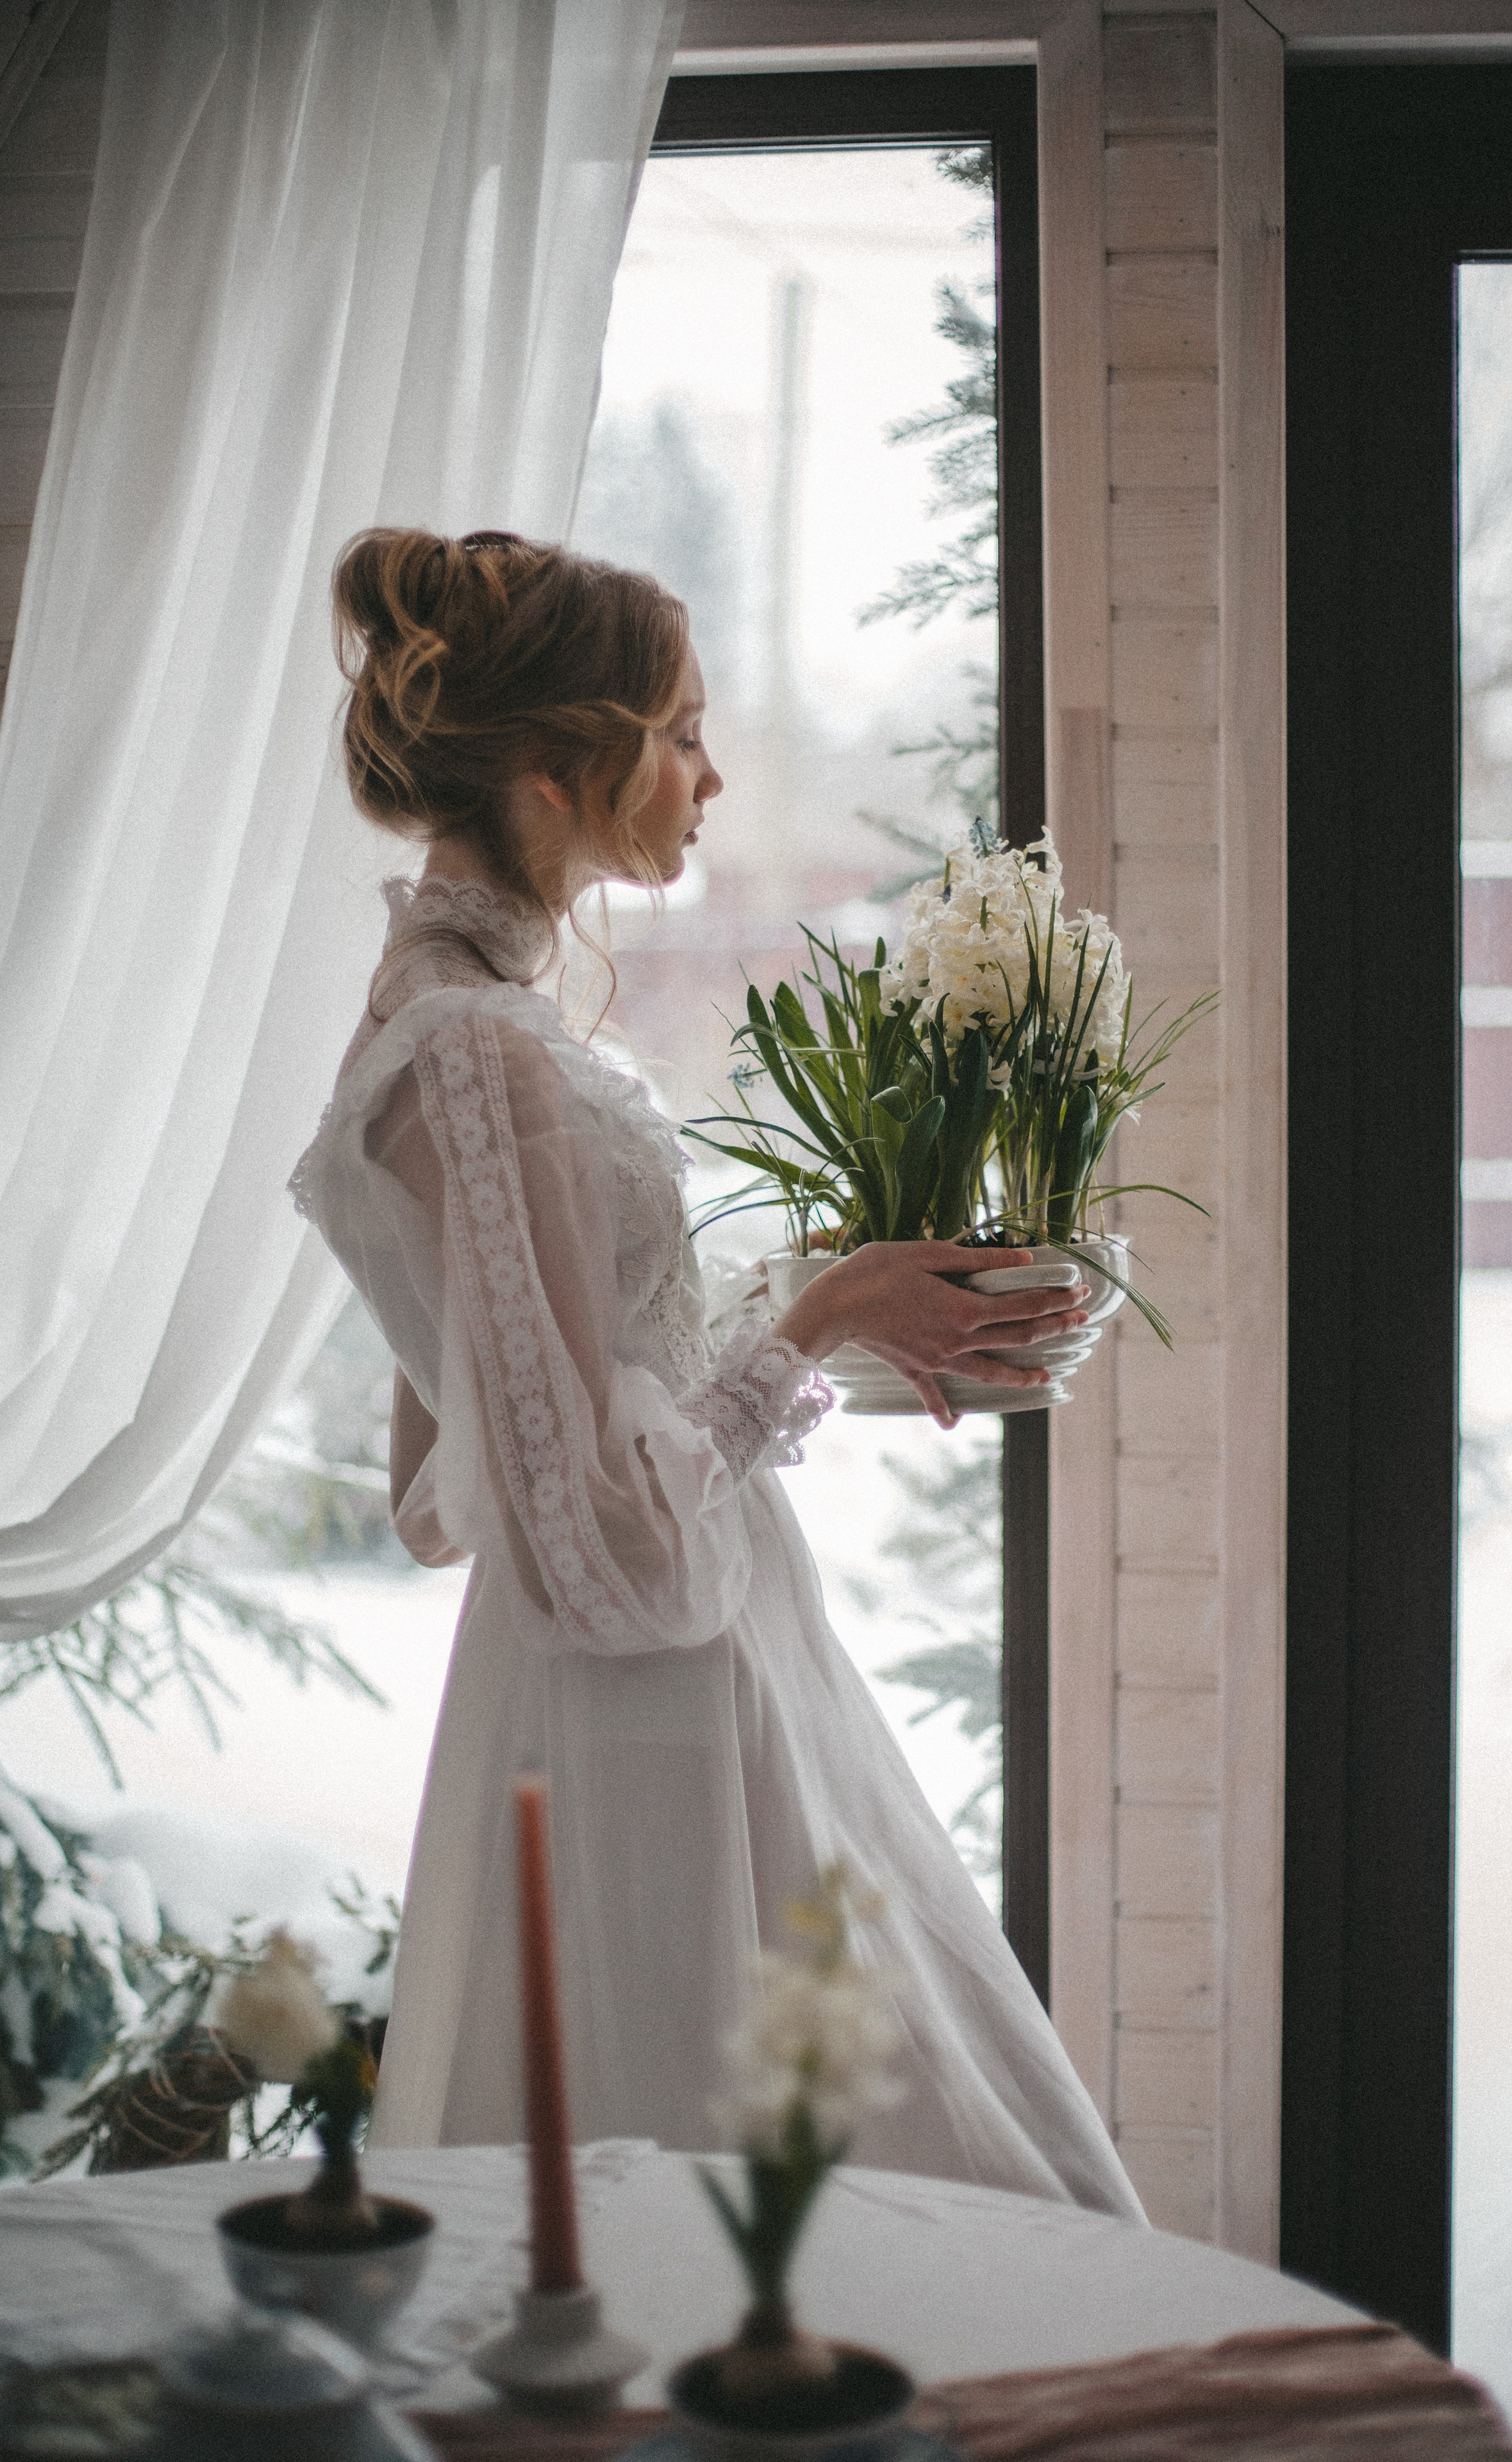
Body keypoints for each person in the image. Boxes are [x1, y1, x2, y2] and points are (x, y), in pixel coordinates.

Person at [292, 526, 1143, 2218]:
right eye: (680, 733)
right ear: (555, 772)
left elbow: (445, 1493)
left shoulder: (448, 1013)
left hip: (657, 1689)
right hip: (658, 1732)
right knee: (843, 2208)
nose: (714, 775)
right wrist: (822, 1316)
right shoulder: (476, 1050)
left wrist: (789, 1310)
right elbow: (607, 1568)